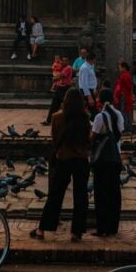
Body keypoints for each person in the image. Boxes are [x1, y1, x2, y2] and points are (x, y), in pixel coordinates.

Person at [30, 87, 91, 243]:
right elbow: (88, 140)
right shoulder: (85, 118)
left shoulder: (57, 117)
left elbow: (54, 138)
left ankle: (43, 228)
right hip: (81, 160)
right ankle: (77, 232)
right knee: (81, 196)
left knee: (55, 195)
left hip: (64, 158)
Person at [90, 88, 124, 237]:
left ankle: (102, 227)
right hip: (115, 156)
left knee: (101, 193)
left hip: (102, 159)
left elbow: (92, 137)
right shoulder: (118, 115)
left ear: (100, 100)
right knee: (114, 193)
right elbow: (119, 135)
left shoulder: (99, 117)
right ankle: (113, 226)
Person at [44, 54, 72, 126]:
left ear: (69, 61)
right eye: (63, 60)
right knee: (54, 105)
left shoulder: (68, 68)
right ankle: (49, 120)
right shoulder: (62, 67)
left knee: (66, 105)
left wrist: (56, 77)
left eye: (66, 61)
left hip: (65, 88)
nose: (64, 62)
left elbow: (58, 77)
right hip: (60, 88)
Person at [113, 60, 134, 134]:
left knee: (124, 112)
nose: (119, 69)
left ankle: (125, 128)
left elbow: (126, 87)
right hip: (125, 95)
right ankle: (127, 128)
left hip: (124, 96)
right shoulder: (126, 75)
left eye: (120, 67)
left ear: (124, 68)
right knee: (126, 112)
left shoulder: (125, 75)